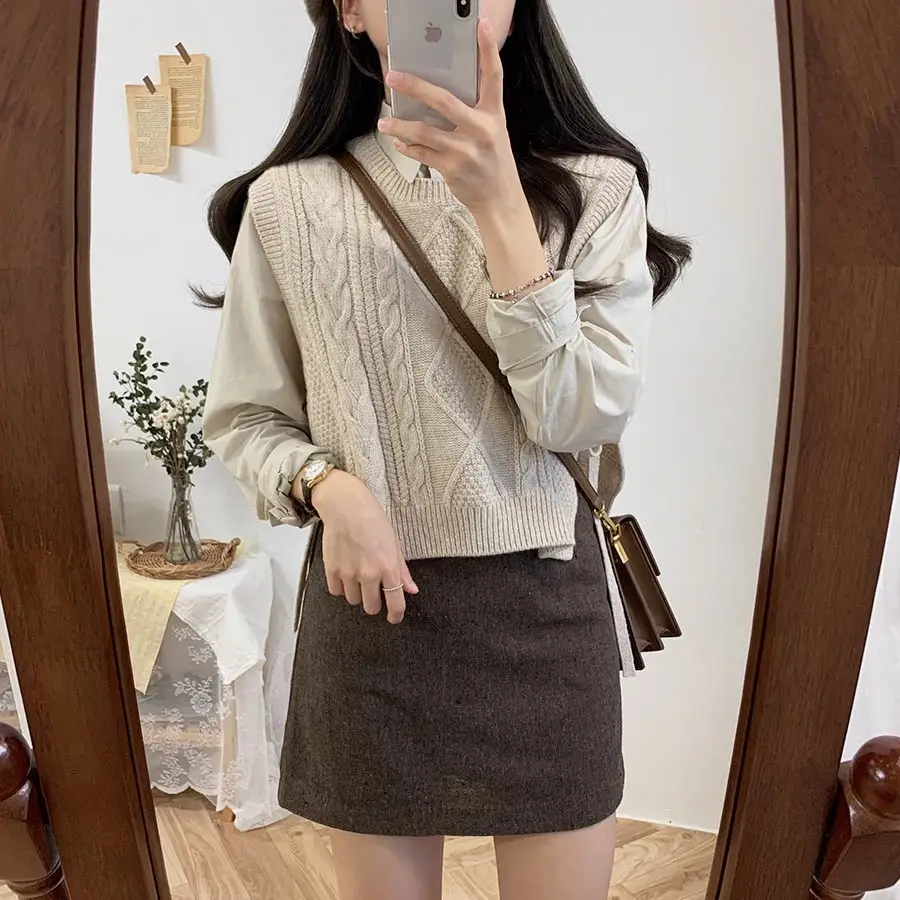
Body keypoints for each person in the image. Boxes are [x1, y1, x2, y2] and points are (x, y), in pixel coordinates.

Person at [202, 1, 690, 898]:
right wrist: (329, 486)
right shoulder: (288, 201)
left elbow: (579, 420)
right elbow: (244, 416)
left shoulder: (598, 188)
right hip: (372, 606)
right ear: (350, 8)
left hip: (544, 608)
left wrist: (499, 202)